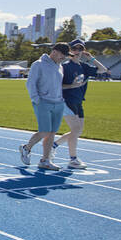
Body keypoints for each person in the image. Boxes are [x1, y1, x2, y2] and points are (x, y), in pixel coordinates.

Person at [49, 38, 109, 169]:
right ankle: (73, 159)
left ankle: (54, 146)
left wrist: (91, 58)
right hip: (67, 101)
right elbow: (56, 86)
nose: (78, 51)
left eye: (80, 49)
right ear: (70, 51)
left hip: (79, 101)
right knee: (75, 130)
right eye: (75, 49)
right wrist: (72, 86)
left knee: (77, 131)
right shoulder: (65, 67)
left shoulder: (84, 66)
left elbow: (103, 70)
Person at [19, 43, 72, 171]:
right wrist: (37, 100)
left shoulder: (60, 66)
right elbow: (30, 83)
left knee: (52, 132)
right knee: (45, 131)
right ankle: (26, 148)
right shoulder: (38, 64)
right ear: (54, 51)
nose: (64, 58)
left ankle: (45, 160)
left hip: (58, 103)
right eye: (62, 55)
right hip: (43, 102)